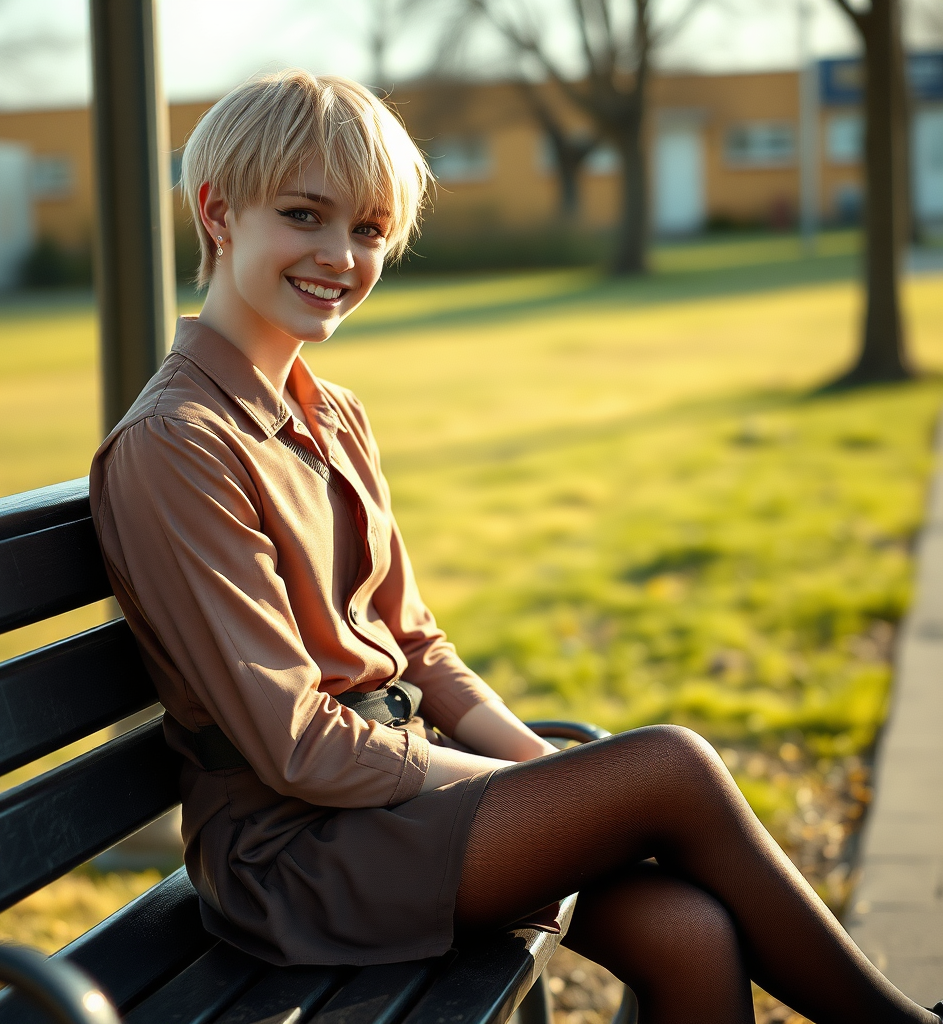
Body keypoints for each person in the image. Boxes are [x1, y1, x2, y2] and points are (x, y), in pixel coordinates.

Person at [89, 70, 940, 1024]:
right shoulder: (177, 445)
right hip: (296, 857)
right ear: (217, 212)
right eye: (304, 214)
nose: (340, 255)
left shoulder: (333, 415)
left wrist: (545, 771)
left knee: (690, 930)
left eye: (369, 231)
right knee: (668, 766)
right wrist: (549, 788)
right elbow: (297, 749)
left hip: (393, 799)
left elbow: (419, 648)